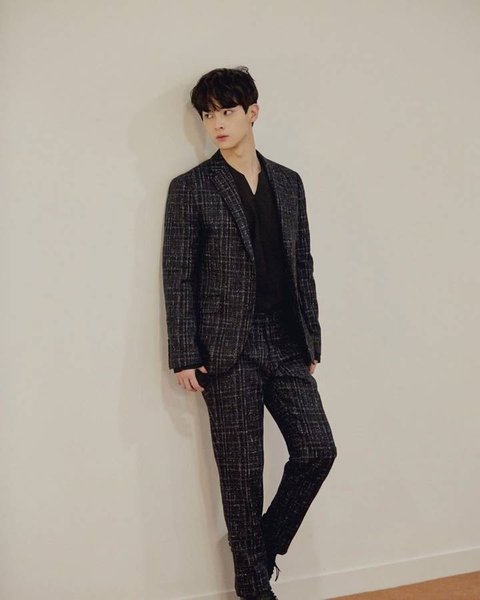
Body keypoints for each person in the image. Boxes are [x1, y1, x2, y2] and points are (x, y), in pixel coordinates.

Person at [162, 66, 337, 600]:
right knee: (242, 474)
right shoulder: (191, 188)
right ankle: (255, 589)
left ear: (252, 112)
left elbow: (302, 264)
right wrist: (184, 352)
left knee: (317, 450)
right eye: (207, 114)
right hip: (226, 350)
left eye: (227, 111)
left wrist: (310, 338)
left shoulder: (289, 182)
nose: (216, 123)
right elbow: (178, 273)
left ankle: (257, 553)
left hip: (285, 342)